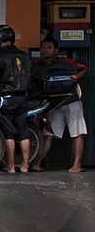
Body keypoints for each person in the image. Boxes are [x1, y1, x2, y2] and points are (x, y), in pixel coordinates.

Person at [31, 38, 88, 173]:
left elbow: (85, 68)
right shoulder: (38, 66)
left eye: (49, 47)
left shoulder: (65, 61)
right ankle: (37, 163)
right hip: (53, 105)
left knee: (77, 132)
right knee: (48, 135)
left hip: (71, 101)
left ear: (55, 50)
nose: (45, 50)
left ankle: (77, 165)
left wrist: (75, 77)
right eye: (43, 47)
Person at [0, 24, 32, 173]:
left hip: (7, 99)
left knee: (8, 133)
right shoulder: (26, 57)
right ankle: (25, 166)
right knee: (23, 132)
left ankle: (10, 167)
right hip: (23, 98)